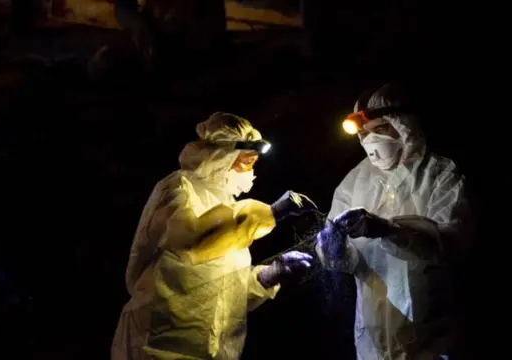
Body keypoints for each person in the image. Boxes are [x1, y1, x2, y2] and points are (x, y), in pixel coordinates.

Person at [112, 112, 316, 360]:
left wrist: (270, 274)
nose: (251, 171)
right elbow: (193, 242)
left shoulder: (226, 206)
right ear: (220, 157)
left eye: (254, 162)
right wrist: (271, 213)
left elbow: (224, 289)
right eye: (246, 161)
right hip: (158, 348)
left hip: (213, 352)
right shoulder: (178, 187)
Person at [316, 84, 472, 360]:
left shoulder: (441, 175)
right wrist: (332, 246)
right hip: (373, 340)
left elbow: (450, 244)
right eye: (363, 134)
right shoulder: (356, 181)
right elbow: (346, 260)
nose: (369, 141)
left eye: (379, 130)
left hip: (430, 336)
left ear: (403, 126)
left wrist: (389, 230)